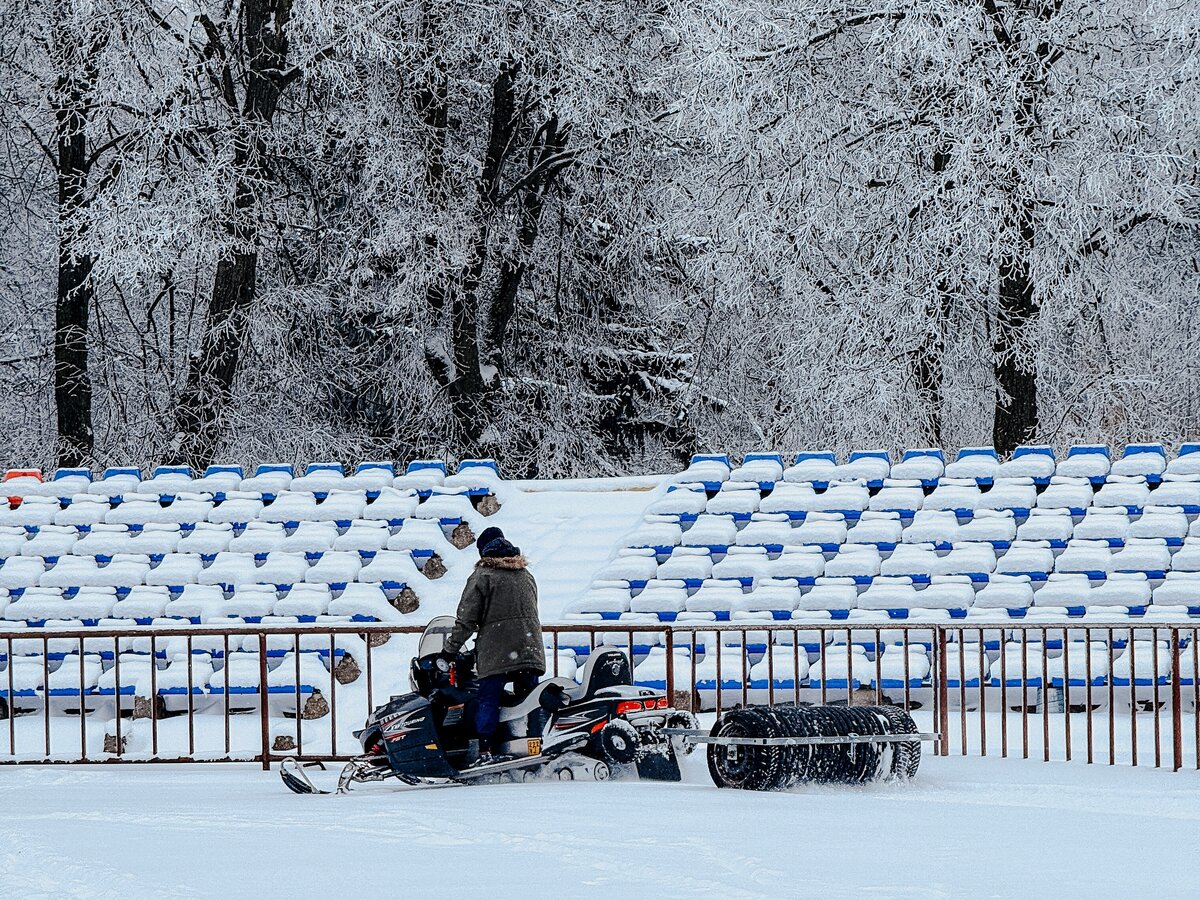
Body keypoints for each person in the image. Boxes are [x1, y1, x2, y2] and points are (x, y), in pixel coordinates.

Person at [444, 526, 546, 764]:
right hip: (529, 647)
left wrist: (450, 649)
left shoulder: (483, 576)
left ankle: (485, 750)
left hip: (497, 651)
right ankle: (536, 745)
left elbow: (467, 619)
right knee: (530, 700)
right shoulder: (525, 574)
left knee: (488, 698)